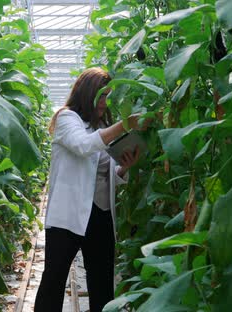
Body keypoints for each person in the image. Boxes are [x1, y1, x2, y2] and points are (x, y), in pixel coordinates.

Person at [34, 67, 146, 312]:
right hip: (69, 215)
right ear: (88, 94)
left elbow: (106, 175)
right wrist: (124, 125)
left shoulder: (102, 125)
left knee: (102, 284)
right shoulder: (66, 119)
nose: (106, 102)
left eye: (109, 96)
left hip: (100, 214)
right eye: (102, 95)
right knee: (53, 281)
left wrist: (124, 169)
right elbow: (83, 146)